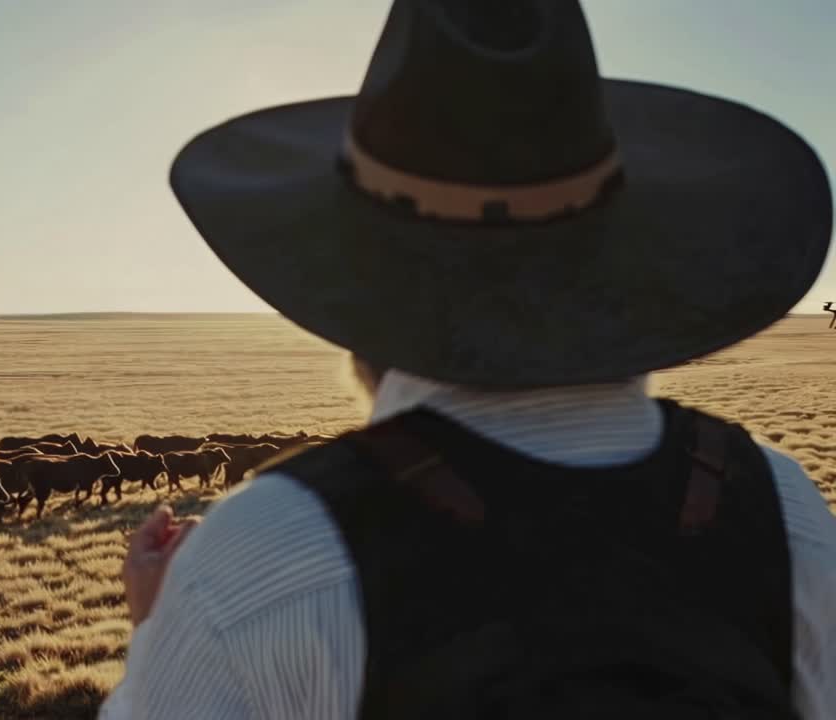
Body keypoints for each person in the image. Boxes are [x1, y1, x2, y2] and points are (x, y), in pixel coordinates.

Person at [100, 0, 836, 718]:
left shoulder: (256, 558)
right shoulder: (783, 509)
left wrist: (163, 633)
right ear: (635, 265)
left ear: (347, 282)